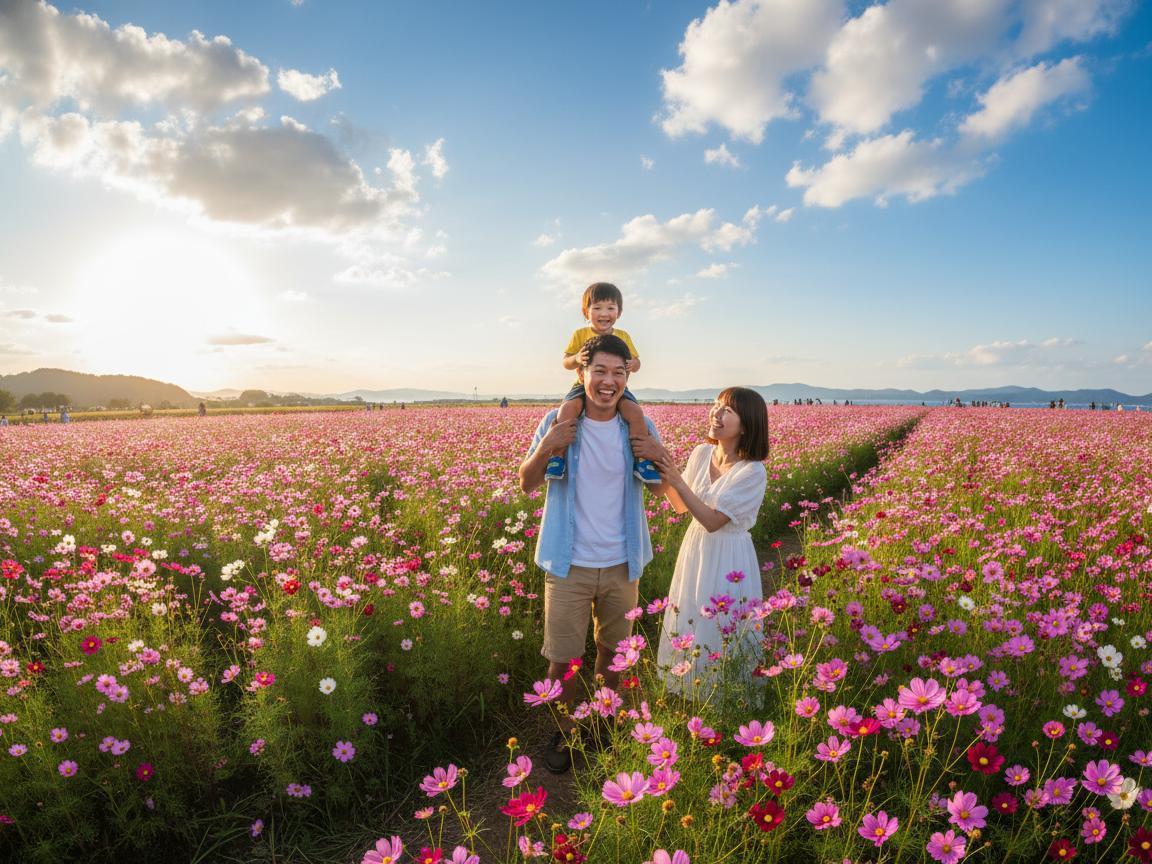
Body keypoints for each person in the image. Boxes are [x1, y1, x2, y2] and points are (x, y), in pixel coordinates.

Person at [518, 333, 667, 774]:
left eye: (618, 373)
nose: (608, 381)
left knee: (613, 654)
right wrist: (547, 445)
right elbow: (527, 483)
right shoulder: (558, 421)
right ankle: (564, 731)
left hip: (623, 563)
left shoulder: (638, 424)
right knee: (562, 659)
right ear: (582, 373)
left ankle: (603, 723)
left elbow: (659, 488)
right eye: (599, 371)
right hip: (568, 564)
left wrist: (658, 454)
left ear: (627, 378)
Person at [653, 387, 769, 696]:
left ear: (746, 424)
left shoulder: (752, 471)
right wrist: (660, 468)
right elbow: (681, 506)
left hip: (729, 554)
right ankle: (686, 687)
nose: (715, 413)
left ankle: (725, 694)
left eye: (726, 410)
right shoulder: (701, 453)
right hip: (696, 546)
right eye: (715, 406)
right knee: (691, 609)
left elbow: (714, 521)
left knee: (723, 620)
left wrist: (676, 479)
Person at [544, 282, 660, 484]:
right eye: (597, 308)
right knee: (568, 410)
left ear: (619, 312)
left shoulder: (623, 336)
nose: (604, 313)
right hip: (582, 387)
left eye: (610, 308)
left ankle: (642, 461)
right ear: (586, 312)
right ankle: (557, 457)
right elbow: (566, 362)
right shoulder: (580, 334)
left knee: (635, 412)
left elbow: (637, 362)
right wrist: (577, 358)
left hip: (619, 389)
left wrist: (633, 364)